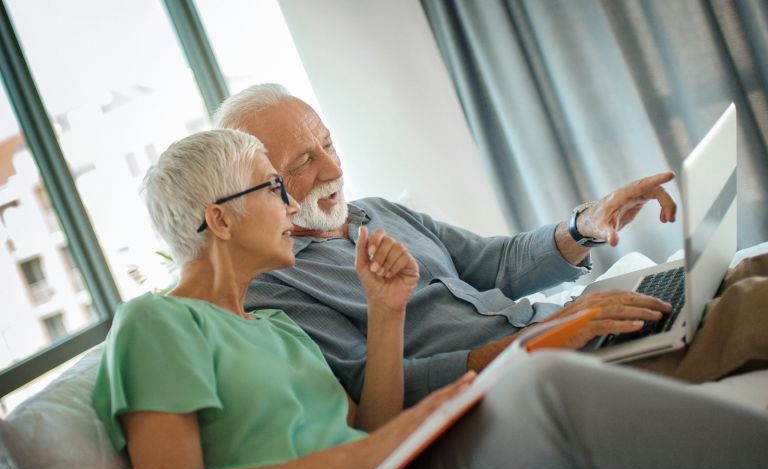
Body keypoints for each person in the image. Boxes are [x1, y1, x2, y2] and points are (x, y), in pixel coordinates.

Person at [91, 128, 768, 469]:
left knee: (558, 375)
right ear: (222, 219)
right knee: (548, 379)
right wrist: (371, 453)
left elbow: (368, 422)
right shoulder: (156, 324)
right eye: (274, 184)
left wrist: (387, 313)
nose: (289, 205)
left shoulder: (269, 326)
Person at [213, 84, 678, 406]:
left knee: (728, 282)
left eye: (329, 145)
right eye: (304, 161)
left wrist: (586, 226)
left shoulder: (376, 210)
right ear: (259, 182)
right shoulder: (268, 285)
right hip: (516, 382)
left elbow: (494, 263)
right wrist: (540, 340)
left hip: (559, 338)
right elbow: (375, 392)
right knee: (742, 306)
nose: (333, 171)